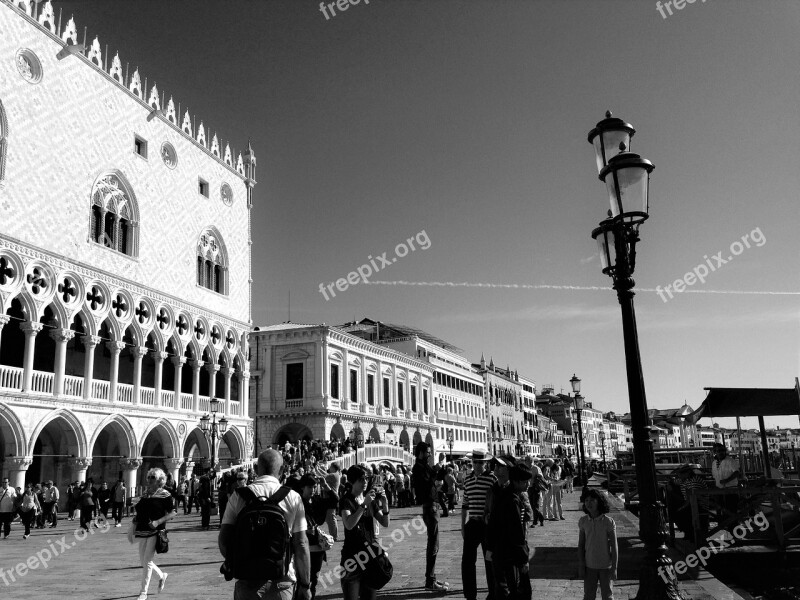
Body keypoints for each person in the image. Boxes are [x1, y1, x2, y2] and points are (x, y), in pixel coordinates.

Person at [219, 449, 311, 600]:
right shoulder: (293, 497)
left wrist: (240, 562)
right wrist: (305, 585)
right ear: (283, 470)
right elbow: (301, 544)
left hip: (247, 581)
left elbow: (223, 541)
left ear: (255, 469)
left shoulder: (238, 496)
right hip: (282, 580)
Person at [339, 465, 390, 600]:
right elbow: (349, 524)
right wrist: (363, 505)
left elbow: (385, 523)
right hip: (352, 558)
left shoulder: (369, 499)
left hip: (370, 558)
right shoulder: (346, 500)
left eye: (366, 478)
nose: (365, 482)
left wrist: (385, 505)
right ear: (352, 481)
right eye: (361, 479)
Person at [487, 463, 533, 600]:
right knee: (518, 590)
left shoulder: (503, 495)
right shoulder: (512, 500)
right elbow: (516, 533)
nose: (528, 485)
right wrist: (524, 559)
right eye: (525, 482)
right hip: (509, 553)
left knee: (503, 588)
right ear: (517, 482)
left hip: (499, 551)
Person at [133, 467, 176, 600]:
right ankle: (162, 576)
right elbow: (140, 511)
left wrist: (158, 522)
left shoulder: (165, 494)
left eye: (153, 477)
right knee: (143, 561)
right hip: (142, 529)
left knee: (147, 560)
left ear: (160, 480)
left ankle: (143, 592)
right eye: (149, 477)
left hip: (155, 531)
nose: (150, 480)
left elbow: (173, 513)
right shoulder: (146, 494)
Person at [412, 441, 449, 591]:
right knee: (433, 545)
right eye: (427, 452)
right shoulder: (418, 468)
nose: (429, 454)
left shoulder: (424, 466)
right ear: (421, 452)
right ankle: (430, 581)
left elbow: (434, 479)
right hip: (429, 507)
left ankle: (431, 578)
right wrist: (436, 471)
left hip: (433, 505)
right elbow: (427, 483)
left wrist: (441, 469)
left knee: (435, 544)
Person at [461, 449, 497, 600]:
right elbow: (465, 504)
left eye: (480, 463)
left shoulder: (492, 479)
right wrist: (463, 526)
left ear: (485, 463)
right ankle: (470, 595)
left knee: (490, 561)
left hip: (487, 526)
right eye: (475, 462)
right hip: (472, 524)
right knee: (467, 562)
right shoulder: (467, 480)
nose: (477, 465)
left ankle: (493, 594)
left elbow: (496, 502)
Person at [578, 490, 617, 600]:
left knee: (607, 595)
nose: (588, 503)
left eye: (592, 500)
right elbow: (581, 545)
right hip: (589, 565)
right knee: (589, 595)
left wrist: (614, 567)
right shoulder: (583, 521)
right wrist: (581, 564)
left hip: (606, 566)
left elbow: (614, 546)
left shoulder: (608, 522)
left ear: (599, 502)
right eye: (586, 500)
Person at [711, 443, 740, 524]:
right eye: (719, 451)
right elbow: (714, 477)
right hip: (719, 491)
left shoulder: (731, 461)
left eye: (723, 450)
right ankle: (725, 530)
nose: (721, 452)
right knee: (722, 511)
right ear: (715, 452)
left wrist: (727, 480)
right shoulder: (714, 463)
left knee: (731, 512)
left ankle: (734, 531)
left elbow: (737, 473)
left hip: (731, 490)